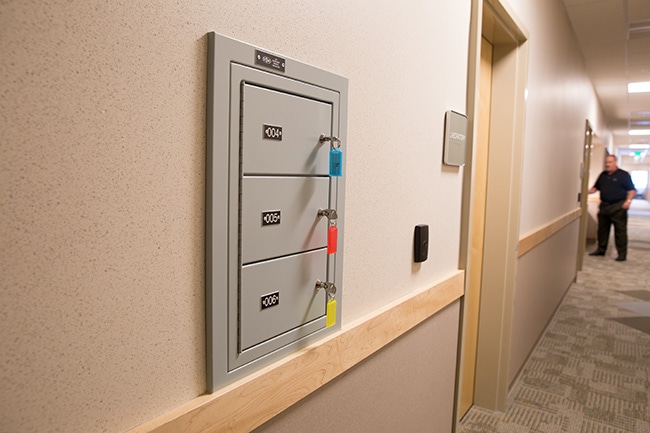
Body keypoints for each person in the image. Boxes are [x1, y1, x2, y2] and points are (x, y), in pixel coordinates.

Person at [588, 155, 636, 261]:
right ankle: (601, 250)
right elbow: (595, 188)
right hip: (604, 206)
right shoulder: (603, 175)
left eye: (610, 162)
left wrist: (628, 201)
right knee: (602, 230)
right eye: (606, 162)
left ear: (615, 162)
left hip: (618, 206)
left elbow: (632, 190)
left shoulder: (623, 175)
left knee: (620, 231)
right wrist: (585, 192)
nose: (607, 164)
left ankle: (622, 254)